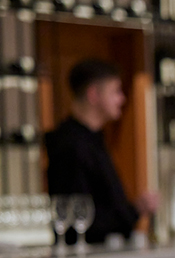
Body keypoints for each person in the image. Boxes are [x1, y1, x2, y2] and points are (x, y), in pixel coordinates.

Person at [44, 59, 159, 245]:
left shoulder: (94, 140)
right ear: (93, 94)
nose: (121, 99)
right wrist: (135, 210)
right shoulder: (70, 145)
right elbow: (79, 219)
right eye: (115, 92)